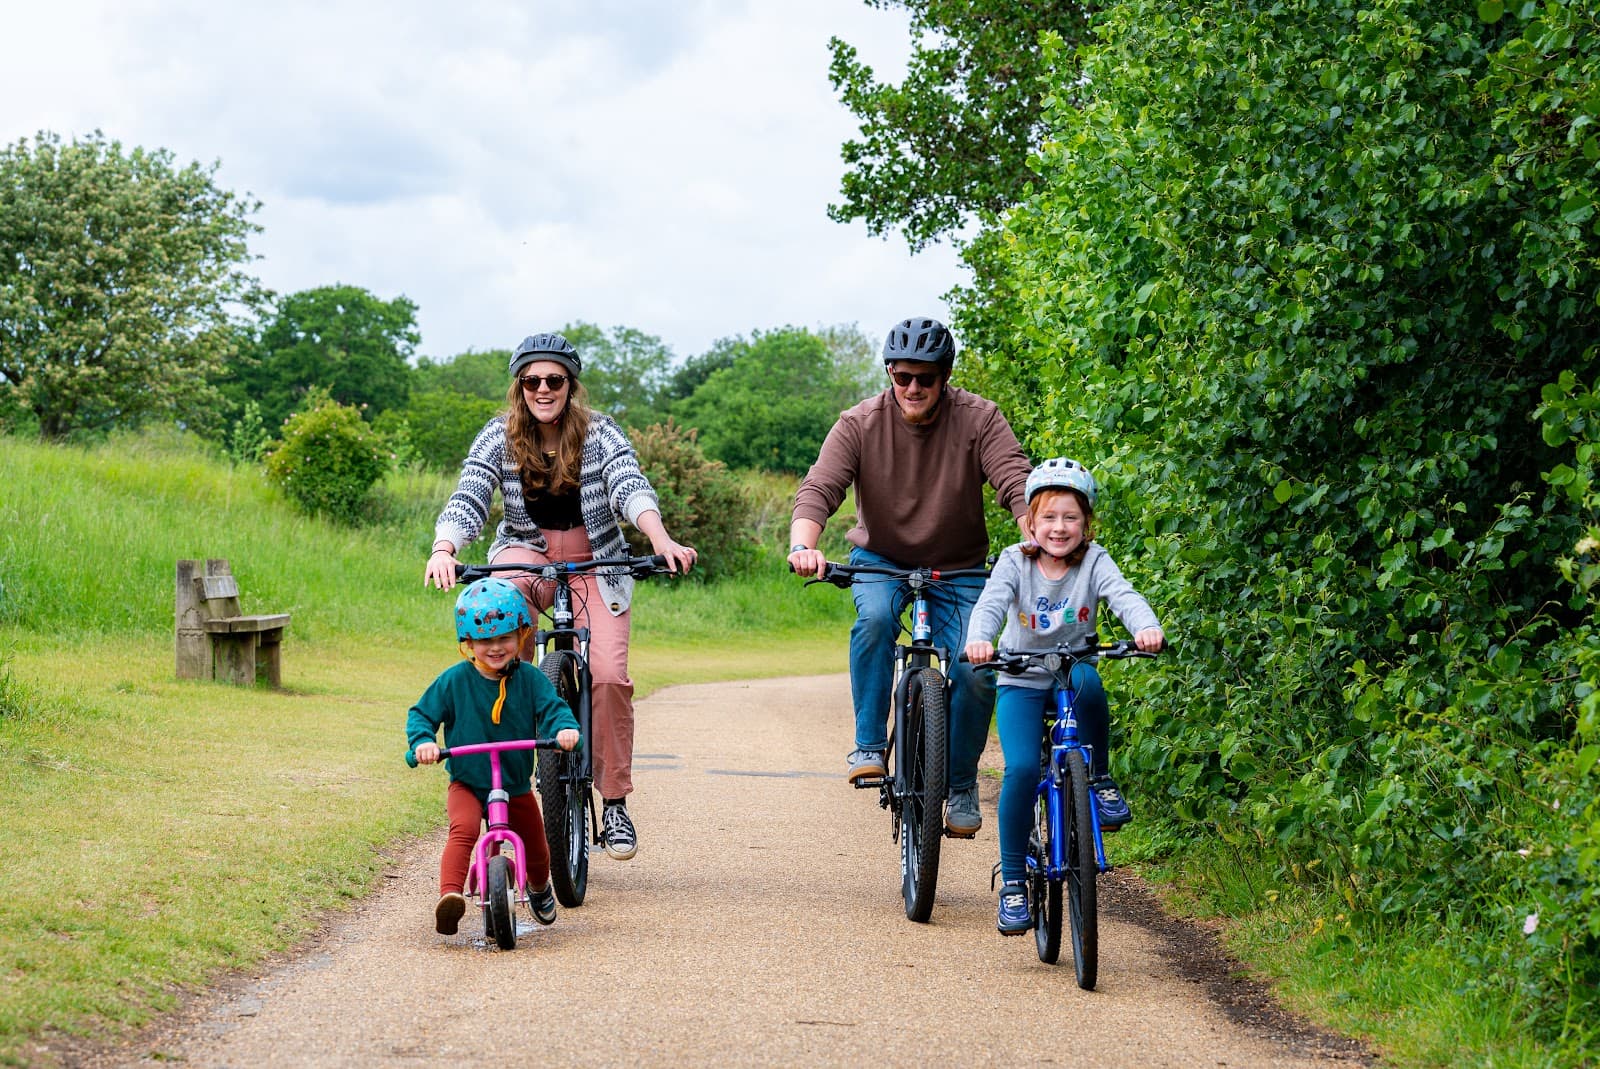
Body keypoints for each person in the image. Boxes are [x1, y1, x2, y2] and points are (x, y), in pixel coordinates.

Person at [424, 331, 697, 862]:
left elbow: (628, 483)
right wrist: (444, 547)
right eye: (532, 380)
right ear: (519, 386)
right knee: (500, 644)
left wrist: (660, 539)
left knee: (610, 676)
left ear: (571, 385)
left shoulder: (600, 433)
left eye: (554, 380)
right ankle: (509, 778)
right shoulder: (497, 436)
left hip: (599, 560)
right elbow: (470, 495)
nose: (543, 389)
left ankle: (614, 801)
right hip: (524, 554)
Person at [788, 316, 1032, 837]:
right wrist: (803, 545)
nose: (913, 389)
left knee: (975, 664)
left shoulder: (980, 419)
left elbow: (1015, 480)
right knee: (874, 620)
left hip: (960, 566)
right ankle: (870, 744)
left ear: (945, 377)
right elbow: (820, 488)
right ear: (890, 375)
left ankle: (961, 783)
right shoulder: (859, 423)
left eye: (925, 378)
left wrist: (1035, 535)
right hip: (881, 560)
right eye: (902, 378)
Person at [963, 457, 1165, 935]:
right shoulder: (1015, 561)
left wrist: (1146, 626)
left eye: (1070, 517)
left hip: (1071, 673)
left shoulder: (1095, 561)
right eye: (1049, 517)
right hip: (1021, 677)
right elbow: (991, 604)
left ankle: (1099, 778)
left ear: (1086, 523)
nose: (1059, 527)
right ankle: (1013, 884)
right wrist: (981, 640)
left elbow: (1123, 595)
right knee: (1022, 770)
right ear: (1030, 522)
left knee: (1091, 683)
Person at [407, 578, 582, 936]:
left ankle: (538, 887)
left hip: (514, 784)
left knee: (536, 845)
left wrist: (565, 730)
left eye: (504, 638)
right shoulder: (454, 681)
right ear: (468, 643)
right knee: (464, 829)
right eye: (485, 640)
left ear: (521, 636)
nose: (496, 648)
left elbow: (553, 709)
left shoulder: (530, 679)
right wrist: (423, 741)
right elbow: (421, 714)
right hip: (468, 783)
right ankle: (451, 897)